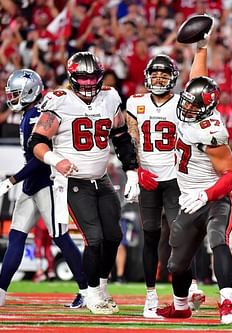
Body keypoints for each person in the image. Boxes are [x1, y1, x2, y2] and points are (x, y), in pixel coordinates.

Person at [29, 52, 140, 314]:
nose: (89, 83)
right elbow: (36, 142)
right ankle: (90, 294)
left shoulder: (110, 97)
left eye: (93, 78)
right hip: (74, 181)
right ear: (72, 78)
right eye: (83, 78)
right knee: (95, 238)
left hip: (101, 180)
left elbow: (121, 136)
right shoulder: (59, 101)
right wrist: (56, 159)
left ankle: (101, 288)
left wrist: (132, 171)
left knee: (114, 236)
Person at [0, 69, 87, 308]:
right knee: (16, 235)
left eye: (15, 94)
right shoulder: (29, 114)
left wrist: (12, 180)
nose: (11, 99)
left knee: (60, 237)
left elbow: (41, 158)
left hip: (48, 182)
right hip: (33, 183)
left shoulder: (37, 115)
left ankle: (87, 291)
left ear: (28, 92)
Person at [156, 25, 232, 325]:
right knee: (176, 264)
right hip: (187, 198)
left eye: (193, 106)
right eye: (187, 102)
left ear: (207, 109)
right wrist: (202, 48)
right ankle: (180, 306)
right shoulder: (193, 102)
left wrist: (206, 194)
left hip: (214, 197)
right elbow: (197, 80)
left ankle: (227, 305)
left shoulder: (212, 132)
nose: (186, 108)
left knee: (218, 241)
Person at [126, 54, 204, 318]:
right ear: (148, 77)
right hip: (148, 177)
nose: (159, 78)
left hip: (175, 179)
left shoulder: (182, 104)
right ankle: (150, 296)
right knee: (150, 236)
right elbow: (130, 139)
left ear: (173, 77)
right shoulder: (135, 102)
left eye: (164, 73)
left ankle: (189, 289)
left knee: (181, 235)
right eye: (155, 73)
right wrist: (135, 171)